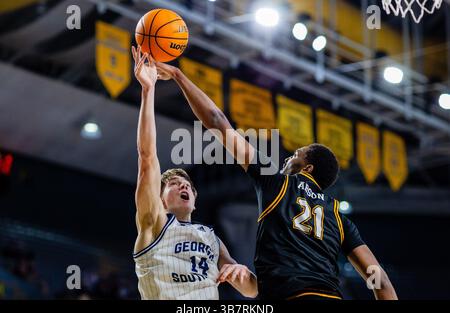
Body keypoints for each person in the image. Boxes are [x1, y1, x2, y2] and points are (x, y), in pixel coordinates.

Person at [155, 61, 398, 300]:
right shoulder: (339, 218)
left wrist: (179, 76)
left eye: (294, 155)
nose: (286, 160)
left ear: (308, 167)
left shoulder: (277, 182)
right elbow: (380, 280)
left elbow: (217, 120)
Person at [131, 46, 257, 300]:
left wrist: (243, 274)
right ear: (161, 199)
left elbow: (251, 291)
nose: (184, 187)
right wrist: (148, 89)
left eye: (187, 185)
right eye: (175, 184)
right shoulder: (153, 223)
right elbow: (147, 158)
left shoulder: (211, 238)